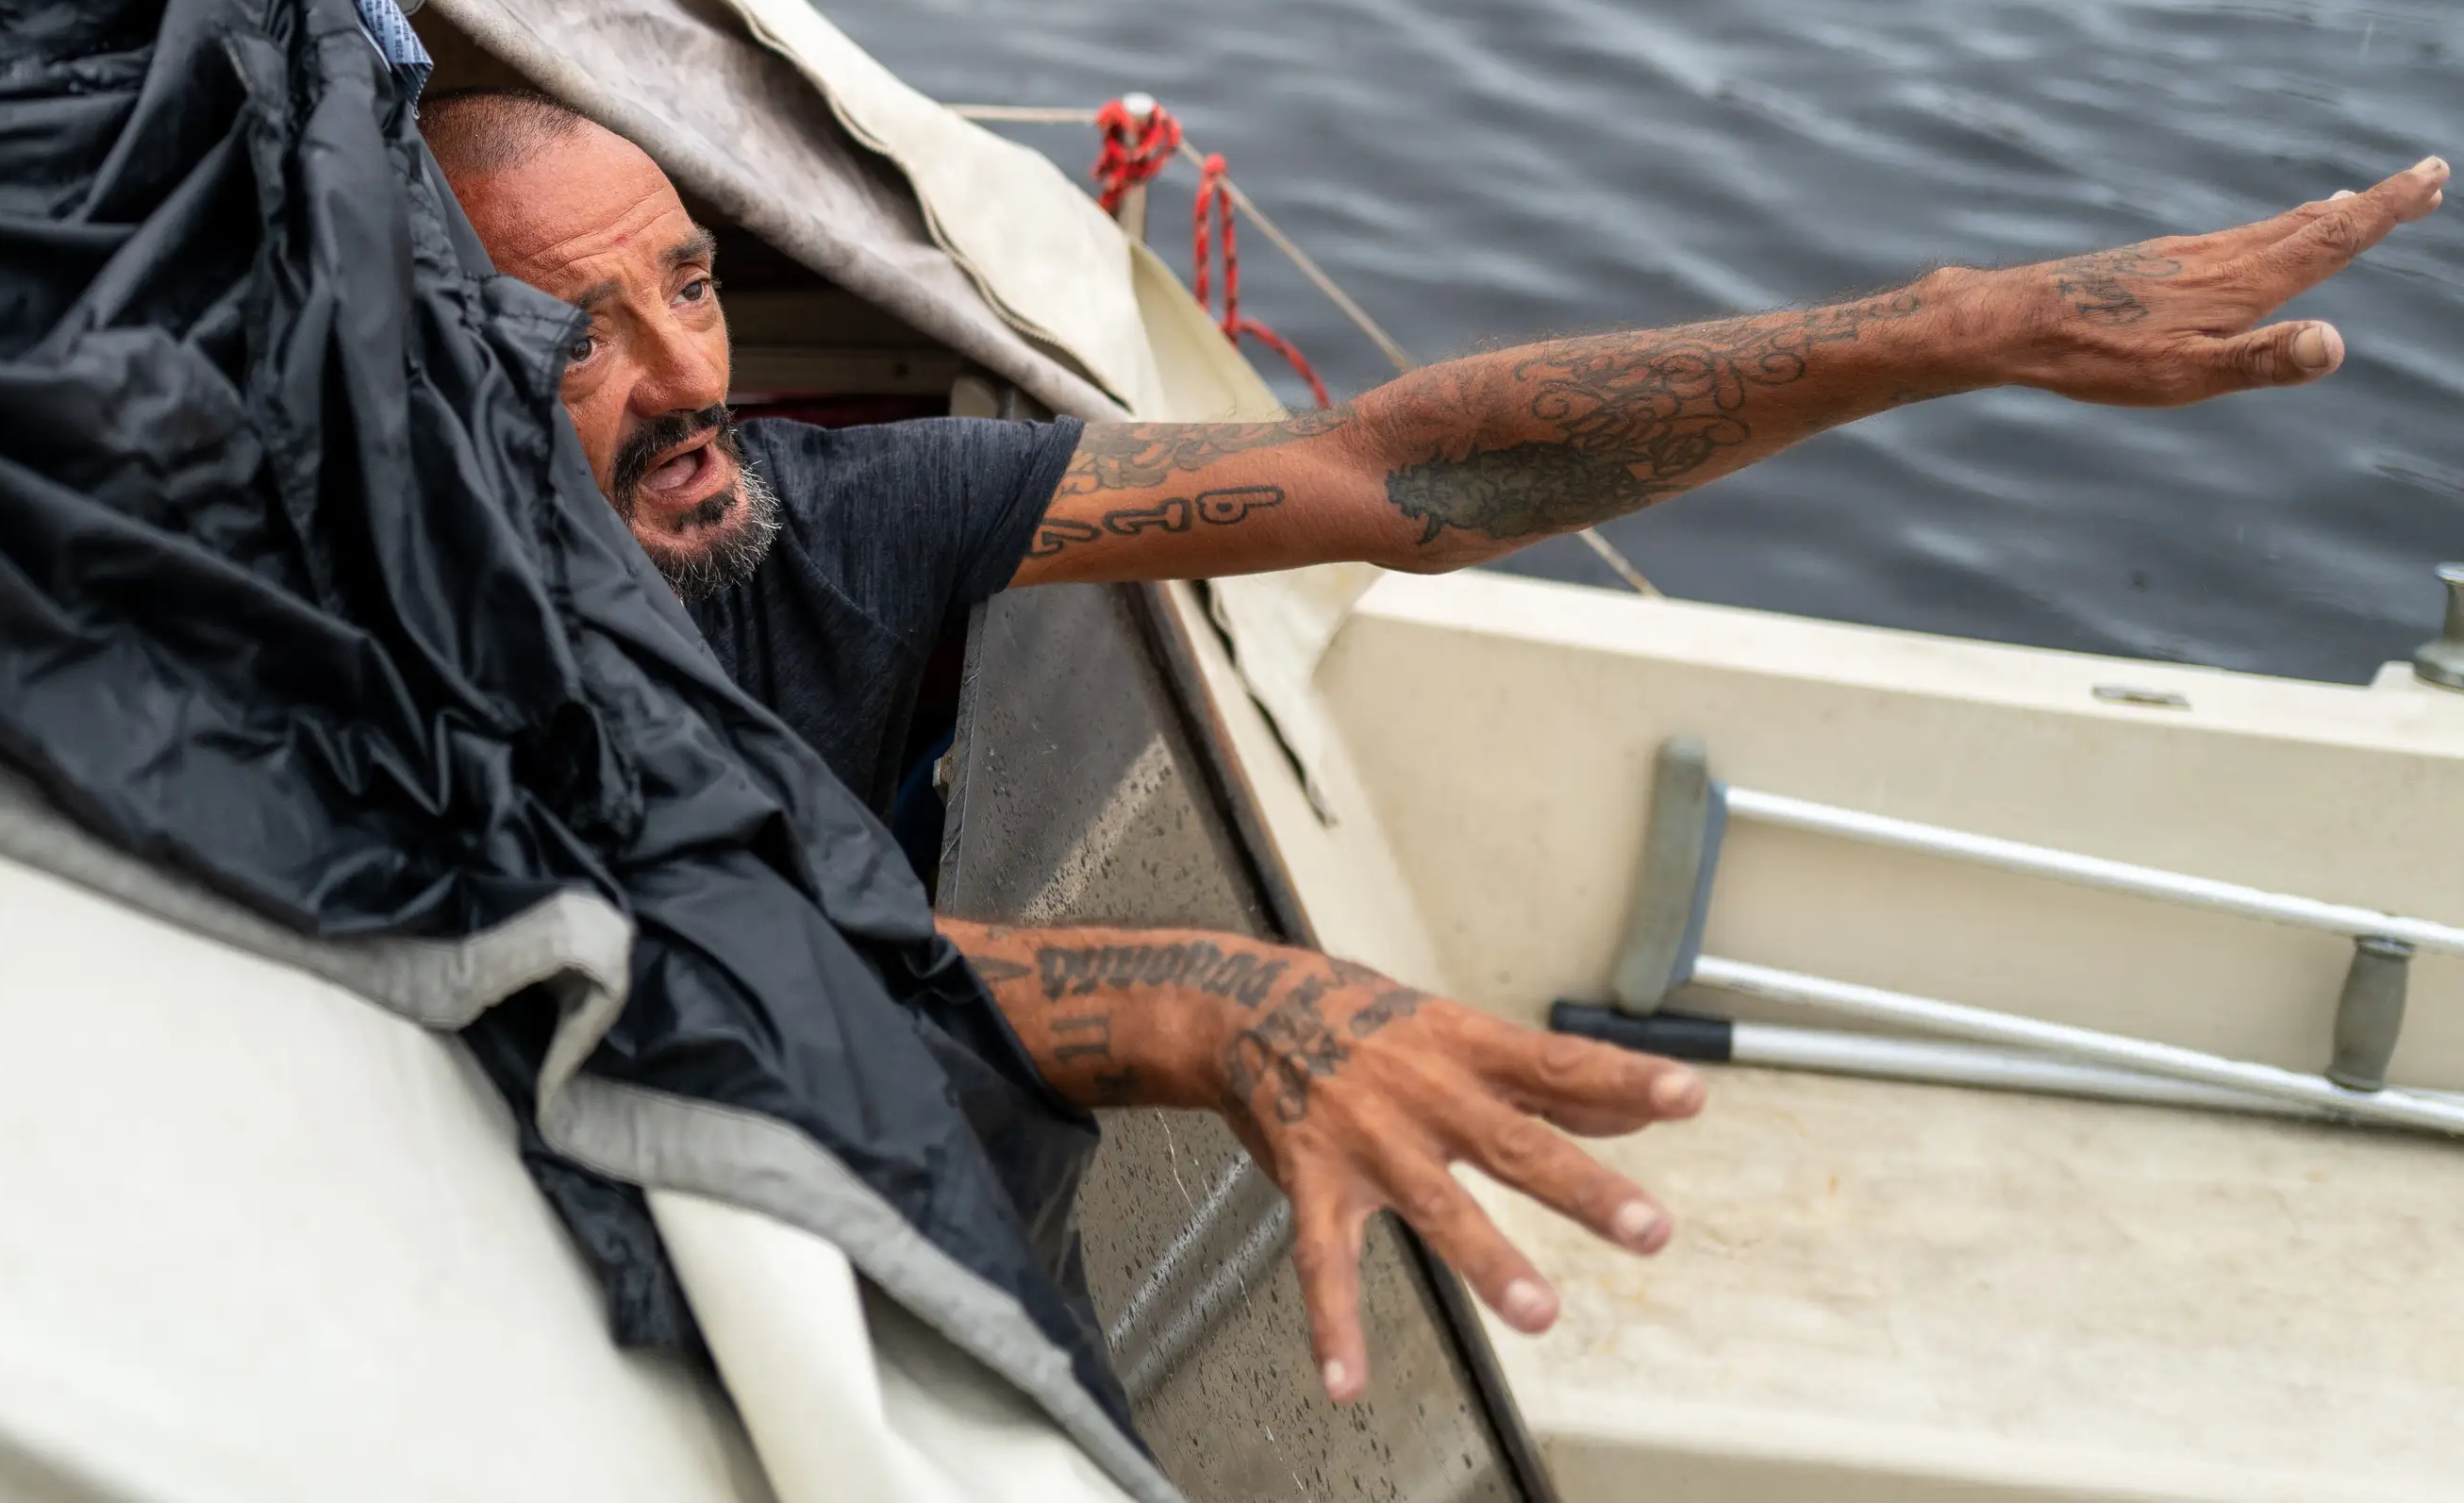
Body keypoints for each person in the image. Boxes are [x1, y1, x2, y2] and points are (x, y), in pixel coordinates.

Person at [422, 86, 2445, 1402]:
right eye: (580, 332)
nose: (691, 374)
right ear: (434, 368)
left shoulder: (832, 515)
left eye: (692, 278)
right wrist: (1204, 1002)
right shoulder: (391, 634)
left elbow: (1386, 470)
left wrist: (1948, 334)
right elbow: (635, 921)